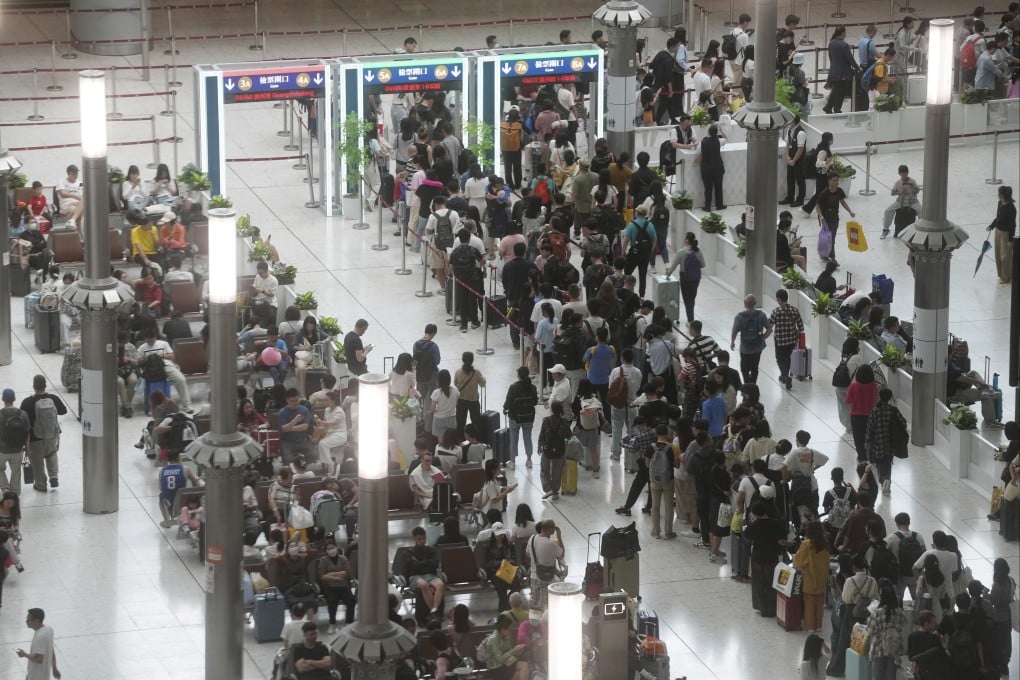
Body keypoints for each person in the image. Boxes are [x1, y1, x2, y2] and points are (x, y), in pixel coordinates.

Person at [20, 376, 67, 493]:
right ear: (45, 385)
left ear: (34, 386)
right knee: (51, 454)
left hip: (35, 438)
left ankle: (41, 485)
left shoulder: (27, 402)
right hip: (52, 435)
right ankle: (53, 476)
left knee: (37, 462)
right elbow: (63, 411)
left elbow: (22, 422)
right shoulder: (53, 398)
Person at [745, 500, 790, 617]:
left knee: (758, 584)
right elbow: (781, 542)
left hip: (757, 557)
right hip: (771, 556)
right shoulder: (776, 523)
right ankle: (772, 609)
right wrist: (789, 543)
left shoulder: (752, 526)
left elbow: (746, 538)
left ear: (754, 514)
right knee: (772, 583)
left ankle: (762, 609)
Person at [864, 388, 908, 495]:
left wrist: (867, 441)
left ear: (880, 397)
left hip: (877, 444)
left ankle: (883, 480)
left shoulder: (875, 411)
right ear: (889, 398)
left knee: (879, 464)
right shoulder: (893, 410)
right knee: (887, 463)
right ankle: (887, 481)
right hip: (891, 444)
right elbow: (903, 422)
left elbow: (870, 427)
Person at [793, 521, 832, 634]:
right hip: (821, 578)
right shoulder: (825, 544)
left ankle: (810, 627)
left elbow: (799, 562)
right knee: (819, 604)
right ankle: (818, 626)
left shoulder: (806, 544)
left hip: (810, 578)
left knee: (809, 603)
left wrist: (795, 558)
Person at [865, 582, 908, 680]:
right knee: (891, 676)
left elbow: (869, 631)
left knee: (878, 676)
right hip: (894, 650)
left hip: (878, 649)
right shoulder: (900, 613)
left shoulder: (876, 613)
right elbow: (902, 631)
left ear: (882, 597)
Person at [407, 525, 446, 625]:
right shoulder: (408, 552)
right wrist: (427, 562)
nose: (422, 541)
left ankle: (433, 612)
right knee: (424, 585)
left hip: (430, 575)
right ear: (414, 539)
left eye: (424, 538)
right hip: (415, 577)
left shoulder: (431, 550)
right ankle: (434, 612)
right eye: (419, 539)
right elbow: (413, 566)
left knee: (440, 585)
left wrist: (420, 563)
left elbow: (435, 564)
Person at [316, 536, 356, 633]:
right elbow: (322, 576)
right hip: (330, 587)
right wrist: (337, 577)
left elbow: (347, 572)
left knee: (351, 601)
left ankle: (349, 622)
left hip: (343, 586)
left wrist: (330, 574)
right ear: (326, 550)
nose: (331, 550)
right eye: (329, 549)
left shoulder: (343, 558)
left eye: (333, 548)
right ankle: (332, 623)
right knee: (332, 601)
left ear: (336, 548)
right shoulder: (323, 560)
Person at [730, 294, 772, 385]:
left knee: (744, 369)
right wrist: (763, 337)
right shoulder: (761, 315)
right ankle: (753, 385)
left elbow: (734, 331)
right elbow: (769, 329)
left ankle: (747, 385)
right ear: (755, 303)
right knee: (755, 368)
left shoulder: (739, 317)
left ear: (745, 304)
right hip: (757, 347)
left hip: (745, 348)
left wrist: (732, 342)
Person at [814, 173, 855, 262]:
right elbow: (817, 205)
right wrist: (821, 216)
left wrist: (850, 211)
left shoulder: (839, 191)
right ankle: (832, 258)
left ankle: (825, 255)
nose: (837, 182)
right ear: (829, 182)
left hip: (835, 219)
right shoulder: (825, 193)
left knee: (831, 238)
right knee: (829, 238)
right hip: (825, 220)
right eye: (834, 180)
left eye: (837, 180)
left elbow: (842, 202)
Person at [504, 366, 539, 469]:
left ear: (518, 375)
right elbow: (535, 402)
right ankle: (529, 460)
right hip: (528, 417)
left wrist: (505, 409)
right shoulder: (533, 388)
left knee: (513, 439)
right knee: (528, 438)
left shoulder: (513, 387)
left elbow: (508, 404)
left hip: (515, 417)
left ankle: (513, 462)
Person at [528, 520, 565, 610]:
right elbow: (561, 554)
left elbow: (527, 553)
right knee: (547, 606)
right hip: (547, 579)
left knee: (535, 604)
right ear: (551, 531)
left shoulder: (532, 538)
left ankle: (535, 622)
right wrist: (559, 537)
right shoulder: (551, 544)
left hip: (533, 576)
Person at [619, 205, 655, 298]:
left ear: (637, 213)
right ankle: (642, 295)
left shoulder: (632, 225)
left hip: (634, 253)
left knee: (627, 272)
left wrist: (623, 253)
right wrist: (650, 250)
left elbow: (626, 240)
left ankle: (627, 291)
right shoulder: (650, 225)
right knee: (643, 275)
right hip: (645, 253)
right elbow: (654, 240)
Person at [846, 364, 879, 461]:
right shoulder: (873, 385)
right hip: (870, 415)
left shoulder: (853, 386)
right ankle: (871, 454)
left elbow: (848, 401)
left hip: (856, 415)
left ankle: (861, 456)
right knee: (870, 436)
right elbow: (875, 400)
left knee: (858, 437)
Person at [17, 608, 60, 679]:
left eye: (29, 619)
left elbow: (39, 659)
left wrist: (24, 654)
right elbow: (51, 649)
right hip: (43, 675)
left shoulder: (39, 637)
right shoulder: (49, 629)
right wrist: (54, 667)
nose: (26, 621)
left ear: (36, 621)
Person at [824, 25, 858, 114]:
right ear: (843, 33)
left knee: (835, 90)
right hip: (843, 73)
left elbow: (831, 57)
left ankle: (828, 107)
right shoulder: (844, 45)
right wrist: (858, 67)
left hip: (834, 71)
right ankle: (837, 110)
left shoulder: (831, 43)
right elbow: (850, 59)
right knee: (840, 93)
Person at [881, 164, 922, 239]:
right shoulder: (898, 182)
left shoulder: (912, 181)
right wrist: (900, 192)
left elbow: (918, 190)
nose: (904, 176)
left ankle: (921, 230)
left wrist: (913, 188)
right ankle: (886, 229)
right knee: (888, 211)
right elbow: (892, 193)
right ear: (899, 174)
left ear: (907, 173)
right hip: (900, 202)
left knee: (921, 211)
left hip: (913, 202)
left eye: (905, 174)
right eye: (902, 174)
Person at [987, 185, 1016, 285]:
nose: (998, 195)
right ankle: (1001, 275)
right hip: (998, 231)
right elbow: (998, 217)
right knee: (998, 254)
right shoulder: (1000, 203)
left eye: (999, 193)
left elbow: (1012, 225)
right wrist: (991, 226)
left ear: (1003, 195)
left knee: (1005, 256)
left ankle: (1006, 277)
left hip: (1006, 234)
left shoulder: (1011, 208)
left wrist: (1010, 240)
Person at [277, 388, 312, 465]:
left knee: (314, 454)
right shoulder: (282, 412)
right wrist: (295, 420)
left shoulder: (304, 410)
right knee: (288, 461)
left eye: (296, 400)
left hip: (302, 440)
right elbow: (284, 429)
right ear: (287, 400)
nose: (295, 403)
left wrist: (290, 428)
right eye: (292, 401)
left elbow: (305, 427)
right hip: (287, 441)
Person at [454, 351, 485, 434]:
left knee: (460, 422)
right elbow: (482, 384)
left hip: (461, 400)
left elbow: (455, 384)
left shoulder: (458, 372)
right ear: (472, 360)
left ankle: (461, 439)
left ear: (462, 360)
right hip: (473, 400)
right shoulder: (476, 373)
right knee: (476, 422)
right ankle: (476, 439)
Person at [781, 115, 808, 207]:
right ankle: (790, 198)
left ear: (794, 121)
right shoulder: (789, 130)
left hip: (799, 160)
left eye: (790, 120)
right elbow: (787, 144)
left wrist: (794, 160)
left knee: (800, 180)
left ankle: (800, 200)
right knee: (790, 179)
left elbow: (800, 149)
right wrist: (788, 156)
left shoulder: (801, 133)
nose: (788, 121)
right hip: (791, 158)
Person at [698, 124, 726, 212]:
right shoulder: (718, 141)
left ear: (708, 132)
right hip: (718, 167)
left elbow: (699, 152)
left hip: (706, 168)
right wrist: (721, 130)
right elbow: (726, 138)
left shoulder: (703, 141)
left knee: (708, 188)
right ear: (716, 132)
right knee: (718, 187)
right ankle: (719, 205)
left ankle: (707, 206)